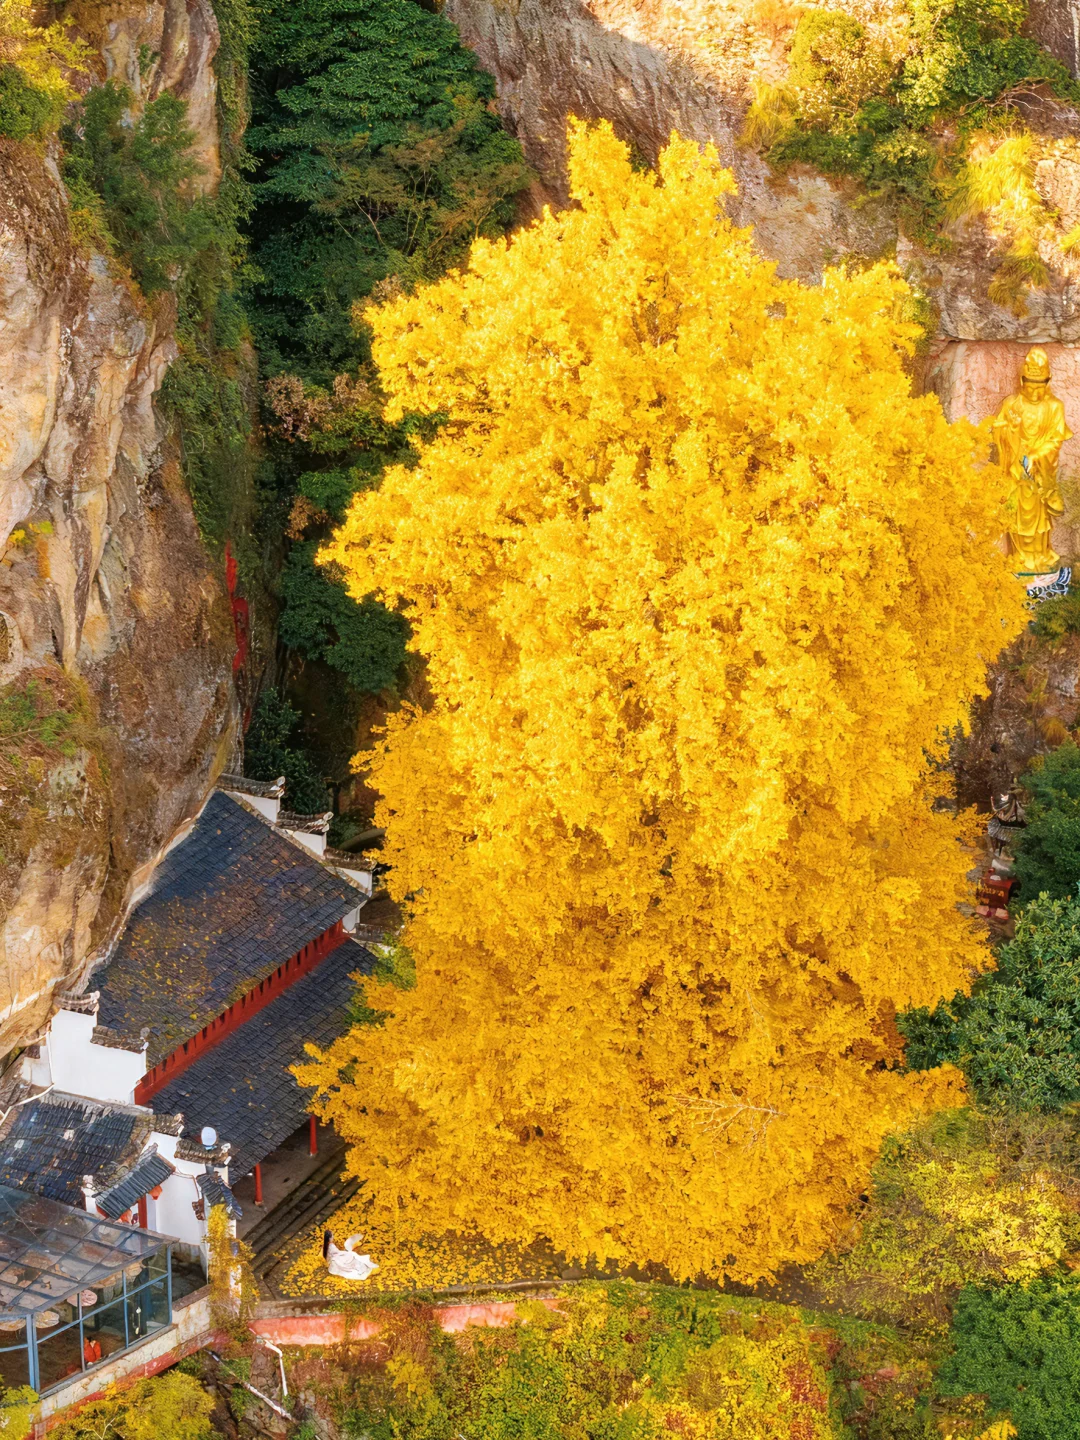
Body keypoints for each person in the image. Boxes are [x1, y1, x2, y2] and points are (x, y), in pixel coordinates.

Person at [993, 346, 1072, 574]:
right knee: (1018, 519)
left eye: (1041, 387)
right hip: (1017, 475)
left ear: (1050, 380)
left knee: (1040, 522)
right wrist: (1011, 431)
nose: (1036, 394)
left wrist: (1036, 456)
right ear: (1020, 380)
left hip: (1040, 475)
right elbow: (999, 432)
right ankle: (1019, 559)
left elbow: (1056, 441)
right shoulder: (1012, 405)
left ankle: (1040, 558)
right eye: (1030, 387)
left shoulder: (1054, 407)